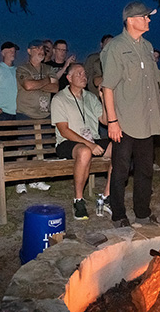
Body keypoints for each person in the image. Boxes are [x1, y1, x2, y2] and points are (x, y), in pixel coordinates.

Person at [101, 1, 160, 227]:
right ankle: (118, 215)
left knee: (145, 170)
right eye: (145, 16)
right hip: (125, 121)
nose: (149, 20)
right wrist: (113, 121)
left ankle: (142, 213)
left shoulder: (147, 46)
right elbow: (108, 87)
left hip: (146, 121)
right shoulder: (116, 47)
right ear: (131, 20)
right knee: (121, 171)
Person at [51, 63, 112, 220]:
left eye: (84, 73)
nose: (84, 76)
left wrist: (104, 99)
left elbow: (105, 121)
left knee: (120, 146)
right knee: (84, 152)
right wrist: (90, 145)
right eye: (79, 74)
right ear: (69, 78)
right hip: (67, 143)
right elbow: (63, 130)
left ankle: (106, 196)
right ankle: (78, 200)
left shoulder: (90, 97)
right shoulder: (59, 99)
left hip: (91, 140)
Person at [15, 39, 59, 193]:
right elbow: (27, 85)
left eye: (43, 48)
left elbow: (55, 88)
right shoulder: (23, 68)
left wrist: (38, 83)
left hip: (44, 114)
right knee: (25, 148)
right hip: (26, 114)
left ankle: (36, 179)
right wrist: (46, 81)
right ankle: (20, 180)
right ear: (29, 51)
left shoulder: (48, 68)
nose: (41, 51)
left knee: (41, 149)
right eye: (37, 48)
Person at [0, 41, 19, 120]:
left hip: (16, 113)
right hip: (2, 113)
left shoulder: (17, 70)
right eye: (10, 51)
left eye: (14, 51)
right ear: (3, 53)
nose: (13, 53)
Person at [83, 34, 113, 99]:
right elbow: (86, 77)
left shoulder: (115, 60)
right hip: (93, 96)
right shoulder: (93, 59)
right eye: (107, 44)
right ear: (101, 44)